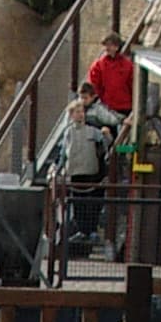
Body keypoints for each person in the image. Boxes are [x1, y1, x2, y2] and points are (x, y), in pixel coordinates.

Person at [60, 99, 107, 250]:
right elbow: (63, 153)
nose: (80, 115)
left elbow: (105, 145)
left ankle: (92, 230)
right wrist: (59, 167)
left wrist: (106, 136)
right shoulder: (68, 133)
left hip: (90, 172)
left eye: (82, 112)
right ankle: (81, 230)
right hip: (75, 172)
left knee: (91, 203)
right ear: (71, 115)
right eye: (77, 112)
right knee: (78, 203)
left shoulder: (92, 131)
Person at [83, 32, 133, 126]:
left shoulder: (127, 65)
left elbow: (132, 85)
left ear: (117, 47)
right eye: (106, 45)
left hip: (124, 106)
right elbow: (94, 85)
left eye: (109, 45)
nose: (107, 48)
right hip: (108, 106)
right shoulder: (99, 64)